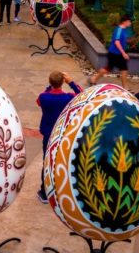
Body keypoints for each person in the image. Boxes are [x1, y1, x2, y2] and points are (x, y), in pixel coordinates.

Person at [37, 71, 82, 203]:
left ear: (50, 82)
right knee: (61, 161)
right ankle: (61, 189)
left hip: (47, 133)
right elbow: (81, 95)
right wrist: (71, 82)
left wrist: (50, 86)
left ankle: (45, 193)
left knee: (47, 162)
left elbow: (39, 100)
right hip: (61, 134)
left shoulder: (43, 97)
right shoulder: (68, 97)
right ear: (63, 82)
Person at [89, 15, 132, 89]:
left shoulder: (124, 30)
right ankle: (94, 79)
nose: (130, 23)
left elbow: (121, 40)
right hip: (114, 53)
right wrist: (123, 53)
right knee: (108, 68)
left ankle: (125, 87)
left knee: (124, 69)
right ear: (125, 22)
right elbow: (116, 41)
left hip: (119, 54)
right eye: (129, 21)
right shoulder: (119, 29)